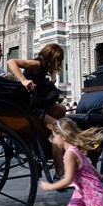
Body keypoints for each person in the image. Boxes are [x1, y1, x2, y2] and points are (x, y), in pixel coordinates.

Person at [7, 44, 66, 181]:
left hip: (37, 104)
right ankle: (60, 172)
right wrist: (23, 80)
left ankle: (44, 137)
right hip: (32, 109)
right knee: (60, 130)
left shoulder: (44, 68)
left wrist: (52, 75)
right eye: (58, 60)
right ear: (51, 58)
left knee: (62, 109)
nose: (59, 63)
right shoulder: (36, 64)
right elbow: (11, 61)